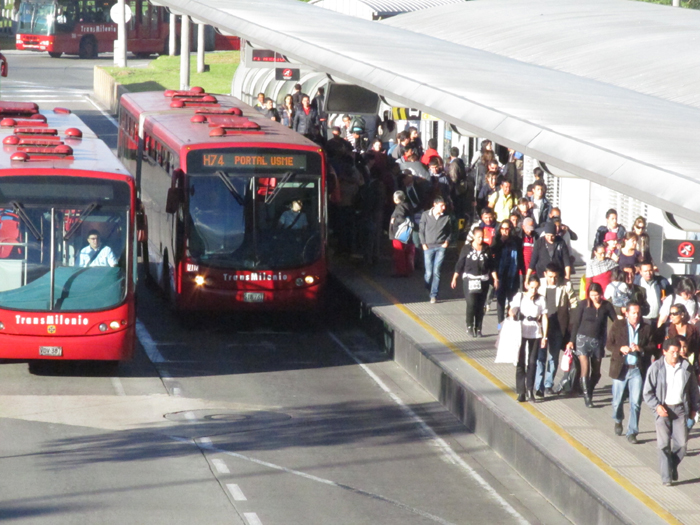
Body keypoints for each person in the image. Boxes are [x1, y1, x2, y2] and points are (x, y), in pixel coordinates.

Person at [643, 338, 700, 486]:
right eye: (672, 352)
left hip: (680, 409)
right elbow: (647, 392)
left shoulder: (686, 367)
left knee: (681, 444)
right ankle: (666, 478)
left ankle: (671, 464)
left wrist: (695, 408)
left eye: (677, 351)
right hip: (663, 409)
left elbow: (693, 390)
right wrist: (656, 406)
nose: (676, 355)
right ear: (664, 352)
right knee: (663, 445)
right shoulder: (656, 368)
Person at [608, 301, 656, 444]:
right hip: (621, 368)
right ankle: (618, 419)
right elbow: (609, 344)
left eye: (638, 313)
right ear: (626, 313)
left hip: (636, 369)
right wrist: (620, 349)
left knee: (635, 403)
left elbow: (652, 346)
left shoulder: (646, 328)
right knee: (617, 402)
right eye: (633, 313)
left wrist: (640, 349)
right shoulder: (618, 325)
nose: (636, 316)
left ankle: (632, 432)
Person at [568, 282, 617, 408]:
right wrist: (571, 341)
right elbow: (576, 323)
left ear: (601, 294)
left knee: (596, 373)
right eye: (592, 295)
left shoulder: (606, 306)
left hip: (597, 341)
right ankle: (587, 398)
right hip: (582, 339)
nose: (594, 297)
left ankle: (588, 389)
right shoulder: (583, 304)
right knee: (585, 368)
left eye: (597, 295)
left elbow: (616, 322)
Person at [535, 264, 577, 397]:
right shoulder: (539, 285)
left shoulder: (565, 285)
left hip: (558, 326)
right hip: (542, 327)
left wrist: (571, 322)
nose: (553, 280)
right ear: (545, 274)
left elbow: (574, 304)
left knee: (553, 357)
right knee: (540, 357)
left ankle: (548, 384)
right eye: (550, 277)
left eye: (555, 277)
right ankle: (538, 386)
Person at [509, 275, 548, 402]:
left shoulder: (541, 299)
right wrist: (512, 313)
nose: (534, 291)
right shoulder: (519, 296)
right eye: (532, 287)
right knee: (520, 361)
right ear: (527, 286)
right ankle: (521, 392)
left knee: (532, 362)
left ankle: (530, 390)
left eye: (536, 288)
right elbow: (512, 309)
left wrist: (544, 336)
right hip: (521, 330)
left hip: (535, 332)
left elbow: (544, 317)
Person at [451, 227, 497, 337]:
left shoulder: (486, 248)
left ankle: (479, 327)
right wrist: (454, 278)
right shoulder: (467, 248)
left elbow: (492, 265)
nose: (480, 239)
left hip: (483, 279)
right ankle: (470, 326)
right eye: (478, 237)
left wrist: (495, 278)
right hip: (470, 279)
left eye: (482, 237)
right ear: (473, 237)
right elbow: (460, 264)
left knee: (481, 305)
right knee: (471, 303)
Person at [419, 197, 451, 304]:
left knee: (436, 271)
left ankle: (434, 295)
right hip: (428, 247)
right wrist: (423, 243)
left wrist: (447, 242)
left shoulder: (446, 217)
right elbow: (421, 231)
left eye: (444, 205)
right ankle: (428, 287)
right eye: (441, 205)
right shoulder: (425, 215)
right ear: (435, 205)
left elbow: (450, 231)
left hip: (440, 247)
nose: (443, 208)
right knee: (428, 273)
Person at [492, 220, 523, 325]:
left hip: (512, 274)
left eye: (507, 229)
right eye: (502, 229)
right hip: (500, 274)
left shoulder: (516, 241)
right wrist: (501, 241)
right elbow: (492, 251)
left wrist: (522, 274)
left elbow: (520, 258)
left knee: (511, 300)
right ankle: (500, 324)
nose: (505, 231)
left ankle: (508, 322)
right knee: (500, 300)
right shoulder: (497, 239)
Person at [635, 261, 671, 334]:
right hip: (643, 320)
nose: (648, 273)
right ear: (640, 272)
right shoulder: (636, 284)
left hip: (658, 319)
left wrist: (666, 298)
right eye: (645, 271)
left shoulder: (662, 282)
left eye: (650, 270)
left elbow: (671, 296)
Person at [666, 304, 700, 371]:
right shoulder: (667, 329)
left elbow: (697, 347)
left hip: (690, 362)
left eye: (674, 314)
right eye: (670, 314)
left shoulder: (693, 329)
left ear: (682, 315)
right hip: (673, 362)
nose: (671, 316)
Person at [389, 191, 415, 277]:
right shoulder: (408, 205)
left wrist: (394, 221)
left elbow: (400, 218)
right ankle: (407, 269)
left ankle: (400, 271)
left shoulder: (399, 207)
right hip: (407, 232)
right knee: (406, 251)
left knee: (399, 252)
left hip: (398, 232)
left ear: (396, 199)